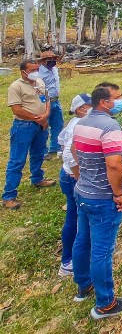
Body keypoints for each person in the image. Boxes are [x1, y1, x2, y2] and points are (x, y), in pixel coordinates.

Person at [72, 86, 122, 319]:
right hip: (103, 197)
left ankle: (83, 284)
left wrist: (84, 178)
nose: (121, 101)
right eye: (117, 98)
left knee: (82, 240)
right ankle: (105, 303)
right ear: (105, 103)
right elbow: (114, 164)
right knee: (102, 251)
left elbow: (76, 153)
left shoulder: (83, 123)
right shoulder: (110, 127)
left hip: (83, 191)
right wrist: (117, 194)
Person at [2, 60, 56, 210]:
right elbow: (16, 109)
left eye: (37, 69)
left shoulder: (39, 82)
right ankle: (9, 196)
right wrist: (36, 119)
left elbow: (46, 100)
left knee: (39, 154)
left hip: (42, 124)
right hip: (23, 126)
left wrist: (46, 115)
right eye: (32, 70)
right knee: (17, 160)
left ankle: (37, 179)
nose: (35, 72)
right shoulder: (16, 87)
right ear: (23, 72)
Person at [57, 93, 92, 277]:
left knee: (74, 215)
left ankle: (70, 259)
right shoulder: (80, 124)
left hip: (67, 174)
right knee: (76, 218)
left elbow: (61, 141)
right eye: (89, 106)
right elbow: (68, 154)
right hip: (73, 177)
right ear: (80, 109)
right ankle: (69, 262)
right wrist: (79, 176)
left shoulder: (72, 123)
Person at [38, 51, 63, 159]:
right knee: (43, 126)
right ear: (43, 61)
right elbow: (37, 90)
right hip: (44, 102)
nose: (52, 61)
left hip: (56, 101)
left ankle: (55, 147)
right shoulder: (38, 73)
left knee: (58, 124)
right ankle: (42, 151)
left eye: (54, 59)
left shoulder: (55, 70)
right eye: (49, 59)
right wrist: (44, 102)